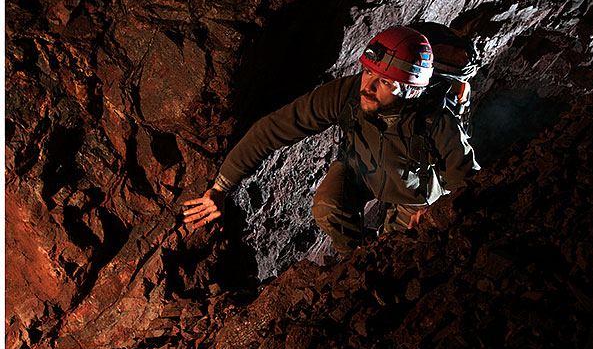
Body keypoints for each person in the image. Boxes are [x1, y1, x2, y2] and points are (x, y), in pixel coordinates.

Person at [183, 26, 480, 255]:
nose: (369, 86)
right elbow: (270, 130)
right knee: (327, 205)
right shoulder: (347, 94)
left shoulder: (438, 121)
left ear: (413, 91)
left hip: (416, 192)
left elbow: (470, 182)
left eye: (386, 82)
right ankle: (358, 262)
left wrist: (435, 212)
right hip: (362, 167)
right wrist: (220, 188)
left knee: (404, 249)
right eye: (367, 72)